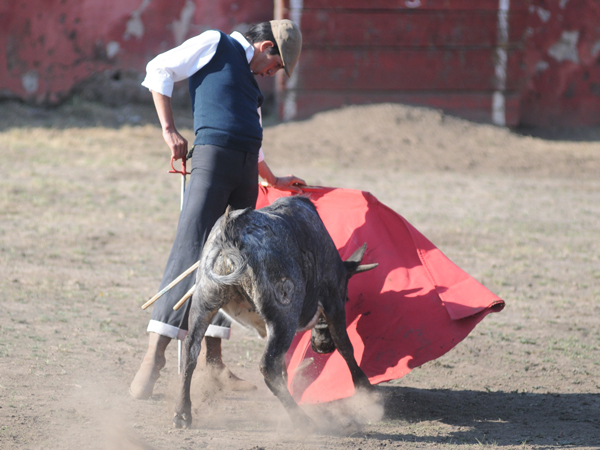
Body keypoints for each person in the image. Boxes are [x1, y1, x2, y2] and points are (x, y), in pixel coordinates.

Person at [130, 20, 305, 400]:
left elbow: (254, 139)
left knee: (232, 266)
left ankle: (214, 363)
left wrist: (272, 179)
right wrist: (169, 130)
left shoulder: (251, 87)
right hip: (211, 162)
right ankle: (153, 358)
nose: (271, 75)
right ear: (265, 47)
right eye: (274, 67)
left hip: (244, 173)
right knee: (190, 251)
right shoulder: (215, 43)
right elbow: (158, 68)